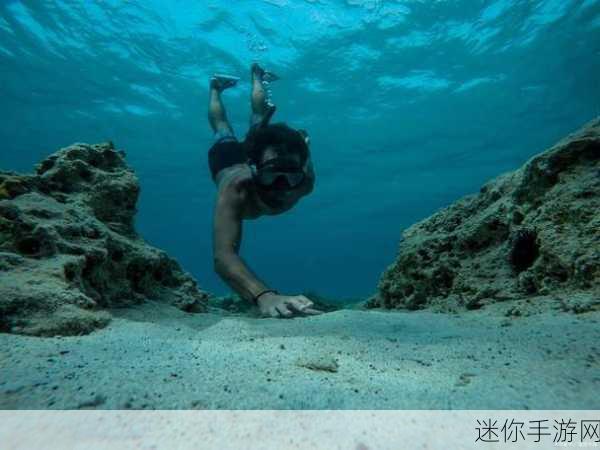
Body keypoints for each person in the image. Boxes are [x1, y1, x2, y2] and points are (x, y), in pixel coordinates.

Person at [207, 63, 321, 318]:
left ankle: (257, 76)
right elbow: (223, 256)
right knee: (222, 129)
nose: (281, 188)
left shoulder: (305, 181)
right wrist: (263, 295)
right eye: (271, 175)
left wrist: (303, 146)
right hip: (227, 162)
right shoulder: (236, 189)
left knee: (260, 120)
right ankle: (215, 88)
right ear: (254, 168)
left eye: (290, 176)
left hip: (269, 155)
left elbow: (303, 160)